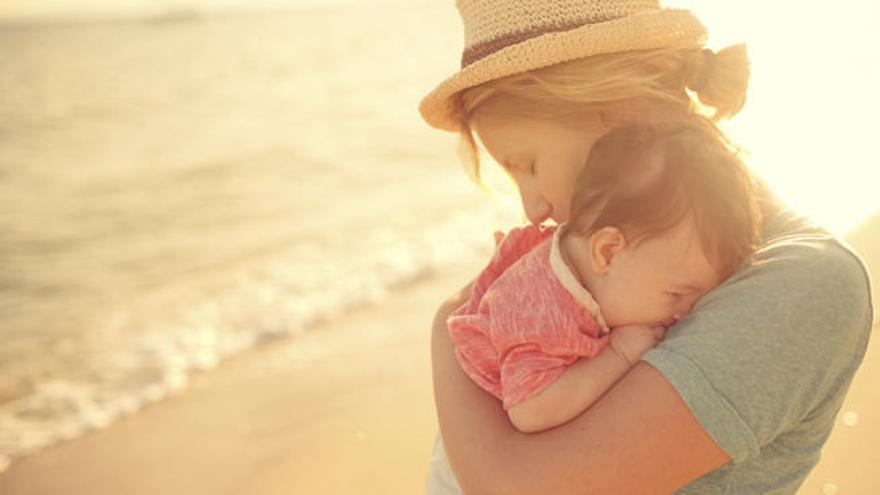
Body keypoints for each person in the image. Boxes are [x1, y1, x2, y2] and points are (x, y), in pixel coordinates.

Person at [419, 1, 873, 494]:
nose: (532, 209)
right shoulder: (604, 245)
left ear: (618, 105)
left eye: (526, 164)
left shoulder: (802, 283)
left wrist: (450, 331)